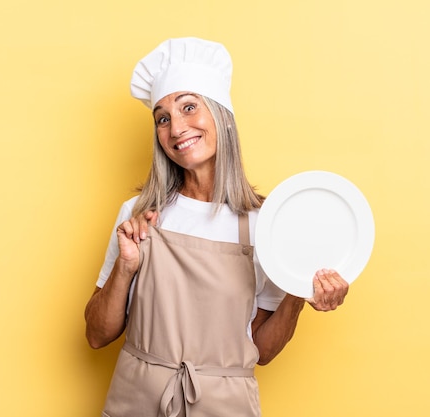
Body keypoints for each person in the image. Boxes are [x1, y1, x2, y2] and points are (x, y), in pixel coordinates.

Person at [85, 37, 349, 417]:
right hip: (137, 402)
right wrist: (126, 268)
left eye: (189, 107)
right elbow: (96, 336)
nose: (176, 128)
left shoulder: (264, 225)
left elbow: (263, 350)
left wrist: (298, 292)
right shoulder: (139, 214)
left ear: (222, 116)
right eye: (163, 118)